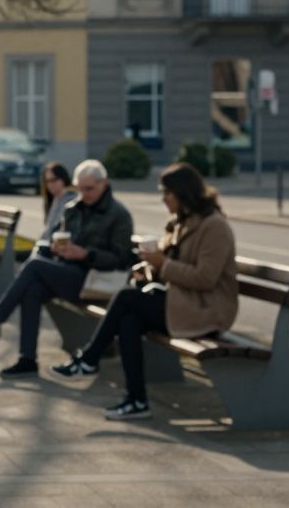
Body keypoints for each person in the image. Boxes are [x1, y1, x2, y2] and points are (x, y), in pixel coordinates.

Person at [52, 163, 238, 420]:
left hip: (205, 310)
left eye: (167, 193)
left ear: (184, 193)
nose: (163, 199)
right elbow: (168, 268)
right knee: (129, 318)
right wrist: (149, 269)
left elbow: (206, 278)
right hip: (181, 303)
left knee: (127, 297)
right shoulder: (179, 222)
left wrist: (163, 264)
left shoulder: (213, 226)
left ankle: (89, 359)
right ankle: (136, 400)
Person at [0, 159, 134, 379]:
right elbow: (60, 240)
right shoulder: (73, 209)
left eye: (90, 188)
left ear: (104, 184)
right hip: (69, 272)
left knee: (35, 266)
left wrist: (87, 254)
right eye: (81, 188)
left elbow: (120, 258)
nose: (85, 194)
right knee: (33, 290)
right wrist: (57, 250)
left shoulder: (118, 215)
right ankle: (27, 359)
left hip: (95, 279)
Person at [37, 162, 78, 250]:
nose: (51, 184)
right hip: (44, 245)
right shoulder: (54, 198)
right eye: (47, 181)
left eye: (54, 180)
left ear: (63, 179)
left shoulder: (71, 200)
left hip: (56, 248)